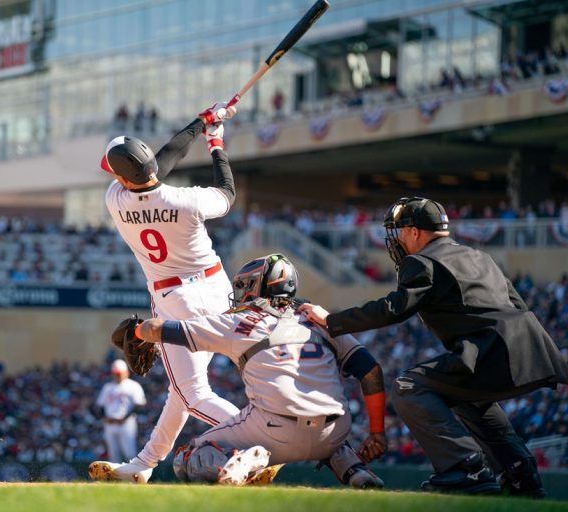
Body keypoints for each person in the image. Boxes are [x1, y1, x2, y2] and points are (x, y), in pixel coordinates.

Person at [299, 196, 568, 497]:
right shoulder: (479, 256)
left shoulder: (422, 261)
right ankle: (522, 475)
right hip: (532, 347)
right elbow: (516, 303)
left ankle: (465, 467)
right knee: (469, 399)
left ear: (415, 232)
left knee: (408, 386)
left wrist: (333, 320)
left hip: (491, 348)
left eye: (401, 231)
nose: (398, 239)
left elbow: (395, 308)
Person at [130, 254, 387, 486]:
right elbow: (371, 371)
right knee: (321, 417)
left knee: (188, 457)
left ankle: (249, 460)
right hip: (335, 432)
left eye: (243, 286)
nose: (240, 293)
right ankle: (356, 471)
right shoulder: (321, 320)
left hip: (274, 431)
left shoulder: (239, 321)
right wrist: (376, 432)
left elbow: (159, 329)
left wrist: (136, 330)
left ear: (258, 285)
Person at [88, 102, 244, 484]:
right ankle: (144, 463)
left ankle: (258, 438)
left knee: (191, 393)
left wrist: (199, 125)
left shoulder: (116, 199)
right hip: (219, 292)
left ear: (123, 178)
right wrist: (214, 139)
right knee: (182, 392)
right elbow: (226, 192)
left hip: (176, 301)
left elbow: (160, 161)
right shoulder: (187, 200)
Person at [94, 359, 147, 464]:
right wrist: (104, 418)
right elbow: (99, 406)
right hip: (110, 424)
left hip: (126, 424)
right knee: (113, 453)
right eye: (115, 374)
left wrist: (125, 418)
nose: (117, 376)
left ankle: (133, 476)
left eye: (119, 374)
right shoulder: (108, 387)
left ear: (126, 373)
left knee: (129, 453)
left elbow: (139, 405)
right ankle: (114, 478)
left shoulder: (133, 385)